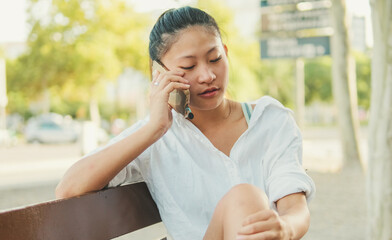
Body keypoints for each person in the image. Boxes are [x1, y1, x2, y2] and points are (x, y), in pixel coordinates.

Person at [55, 6, 315, 240]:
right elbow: (68, 188)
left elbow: (294, 209)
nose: (207, 75)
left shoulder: (271, 121)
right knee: (245, 197)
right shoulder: (156, 138)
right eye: (188, 67)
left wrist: (286, 228)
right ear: (160, 74)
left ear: (225, 53)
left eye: (215, 59)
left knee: (246, 199)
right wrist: (154, 129)